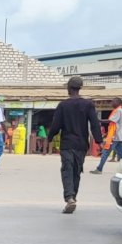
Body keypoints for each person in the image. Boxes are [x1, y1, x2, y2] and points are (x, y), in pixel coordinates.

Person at [48, 76, 102, 213]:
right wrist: (99, 141)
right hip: (82, 144)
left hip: (67, 143)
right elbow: (95, 124)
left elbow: (56, 124)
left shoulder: (63, 105)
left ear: (69, 88)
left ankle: (70, 198)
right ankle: (73, 198)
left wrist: (49, 137)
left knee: (67, 169)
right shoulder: (88, 104)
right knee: (77, 171)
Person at [91, 98, 122, 174]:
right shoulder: (119, 110)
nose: (111, 104)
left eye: (113, 102)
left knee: (106, 152)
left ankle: (99, 169)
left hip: (114, 136)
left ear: (117, 102)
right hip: (117, 136)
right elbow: (112, 124)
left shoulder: (118, 110)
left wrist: (99, 120)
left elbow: (111, 121)